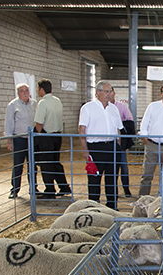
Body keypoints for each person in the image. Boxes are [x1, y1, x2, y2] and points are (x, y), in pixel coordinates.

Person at [78, 80, 123, 209]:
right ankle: (93, 207)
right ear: (98, 92)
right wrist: (85, 150)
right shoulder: (88, 108)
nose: (109, 94)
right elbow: (82, 130)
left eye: (111, 92)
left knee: (112, 178)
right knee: (94, 179)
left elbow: (118, 129)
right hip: (95, 147)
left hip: (112, 146)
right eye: (106, 91)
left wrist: (118, 146)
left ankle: (112, 206)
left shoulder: (114, 108)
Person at [34, 79, 70, 199]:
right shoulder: (57, 100)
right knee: (55, 162)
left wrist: (35, 137)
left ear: (42, 89)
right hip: (57, 136)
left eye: (38, 89)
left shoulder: (42, 102)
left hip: (46, 136)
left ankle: (50, 190)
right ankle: (64, 186)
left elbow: (39, 123)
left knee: (46, 164)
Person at [4, 83, 38, 199]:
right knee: (18, 165)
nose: (25, 93)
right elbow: (9, 123)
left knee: (32, 165)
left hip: (32, 139)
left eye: (26, 90)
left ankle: (34, 188)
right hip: (19, 139)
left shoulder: (34, 103)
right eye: (22, 91)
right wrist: (9, 139)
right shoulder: (13, 105)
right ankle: (14, 189)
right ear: (18, 93)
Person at [110, 87, 134, 197]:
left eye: (109, 92)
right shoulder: (100, 108)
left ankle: (126, 189)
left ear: (114, 94)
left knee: (123, 167)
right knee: (111, 168)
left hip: (120, 143)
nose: (108, 95)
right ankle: (112, 191)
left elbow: (130, 122)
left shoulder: (122, 106)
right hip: (107, 142)